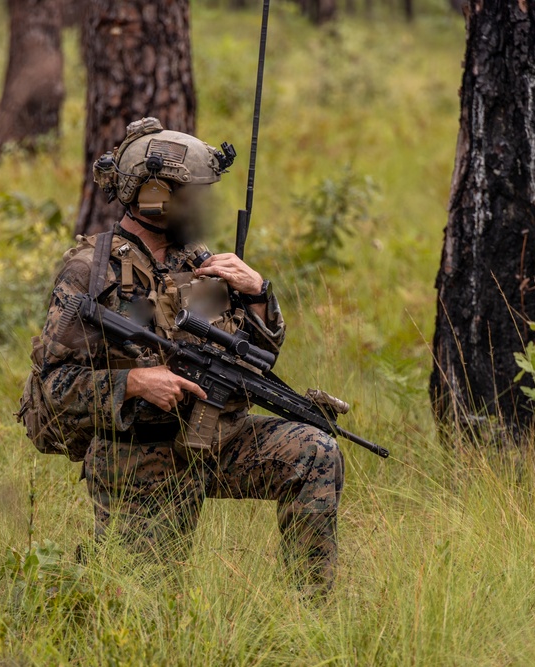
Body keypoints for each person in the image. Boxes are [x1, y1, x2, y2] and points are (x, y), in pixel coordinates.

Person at [36, 117, 343, 594]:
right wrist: (134, 384)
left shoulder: (199, 262)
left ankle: (312, 609)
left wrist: (258, 294)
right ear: (153, 195)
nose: (203, 206)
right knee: (145, 601)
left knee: (316, 452)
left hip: (214, 437)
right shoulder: (90, 272)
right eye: (193, 195)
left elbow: (252, 359)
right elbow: (54, 386)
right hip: (137, 457)